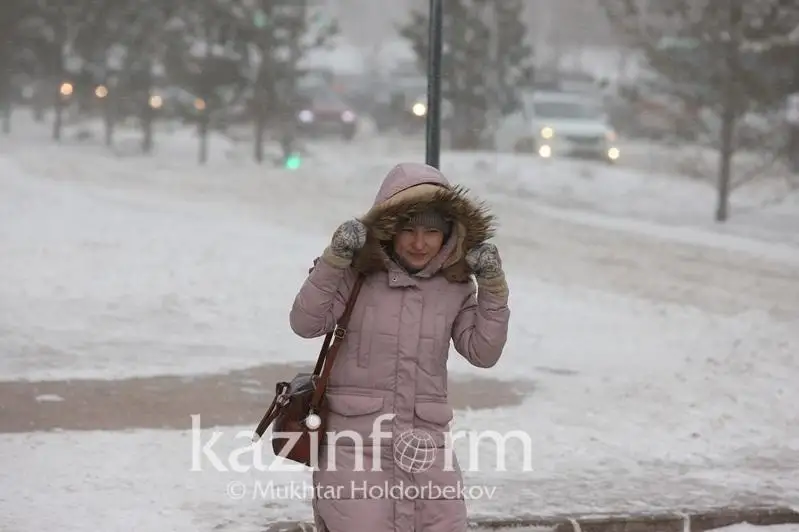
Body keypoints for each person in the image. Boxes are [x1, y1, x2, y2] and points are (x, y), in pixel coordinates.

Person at [288, 162, 510, 532]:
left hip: (427, 448)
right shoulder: (356, 273)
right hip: (354, 445)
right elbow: (306, 323)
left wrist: (493, 289)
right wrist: (334, 261)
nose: (419, 243)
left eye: (431, 231)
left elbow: (483, 352)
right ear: (389, 229)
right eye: (407, 229)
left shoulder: (455, 285)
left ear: (448, 234)